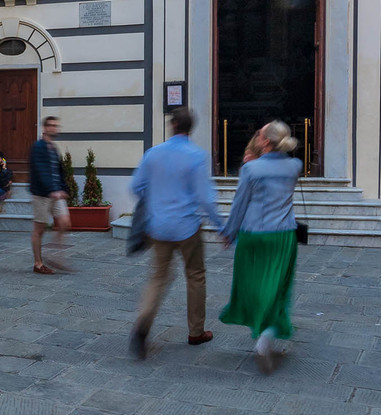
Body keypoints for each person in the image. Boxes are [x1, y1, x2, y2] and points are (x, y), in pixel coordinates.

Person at [128, 107, 219, 357]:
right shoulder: (196, 156)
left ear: (172, 125)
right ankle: (196, 331)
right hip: (187, 227)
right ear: (191, 128)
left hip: (158, 227)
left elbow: (136, 186)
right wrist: (222, 227)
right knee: (195, 275)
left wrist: (156, 202)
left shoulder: (153, 153)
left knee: (158, 277)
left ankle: (142, 326)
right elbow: (206, 198)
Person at [219, 120, 301, 371]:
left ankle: (261, 332)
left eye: (260, 133)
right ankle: (266, 338)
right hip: (284, 234)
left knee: (251, 285)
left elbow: (240, 203)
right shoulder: (295, 166)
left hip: (253, 234)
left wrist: (229, 232)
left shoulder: (251, 169)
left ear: (265, 141)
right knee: (278, 287)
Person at [27, 113, 71, 274]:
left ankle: (54, 255)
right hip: (42, 194)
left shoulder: (53, 148)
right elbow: (40, 171)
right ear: (45, 128)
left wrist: (63, 189)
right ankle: (38, 263)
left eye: (56, 125)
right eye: (51, 125)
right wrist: (52, 190)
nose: (54, 128)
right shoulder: (37, 147)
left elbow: (59, 171)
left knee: (65, 222)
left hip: (56, 193)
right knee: (39, 228)